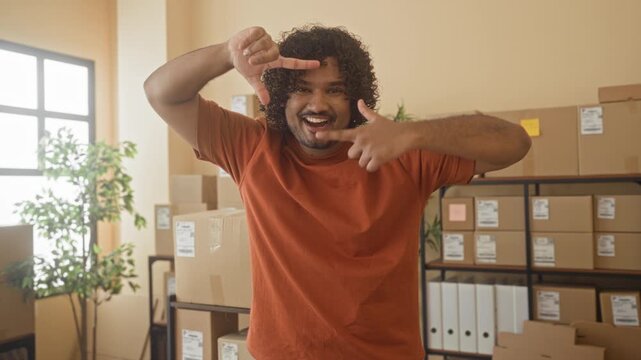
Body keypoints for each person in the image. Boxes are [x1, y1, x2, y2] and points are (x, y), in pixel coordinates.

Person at [144, 25, 530, 360]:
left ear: (356, 96)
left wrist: (413, 133)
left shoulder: (400, 154)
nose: (318, 105)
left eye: (335, 90)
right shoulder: (252, 148)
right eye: (302, 90)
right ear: (279, 94)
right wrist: (227, 53)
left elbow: (514, 142)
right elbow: (161, 92)